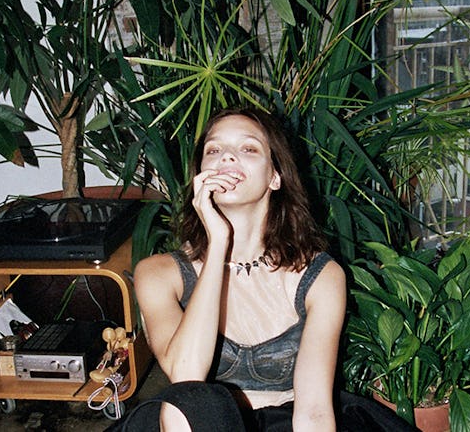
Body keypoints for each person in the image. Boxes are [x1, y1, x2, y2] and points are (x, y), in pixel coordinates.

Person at [113, 108, 414, 432]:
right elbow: (185, 377)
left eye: (248, 149)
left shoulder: (320, 276)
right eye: (214, 150)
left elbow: (313, 409)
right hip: (199, 423)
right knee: (183, 407)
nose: (227, 158)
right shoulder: (158, 274)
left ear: (275, 176)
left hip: (290, 421)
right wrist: (218, 245)